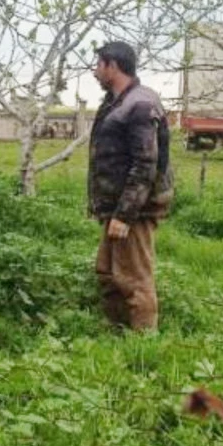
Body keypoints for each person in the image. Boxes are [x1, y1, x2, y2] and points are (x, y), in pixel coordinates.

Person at [88, 41, 174, 331]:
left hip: (133, 210)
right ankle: (117, 333)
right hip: (117, 208)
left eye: (99, 65)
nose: (95, 71)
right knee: (108, 272)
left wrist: (125, 215)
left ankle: (143, 347)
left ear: (113, 66)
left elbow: (145, 164)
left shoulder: (140, 104)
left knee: (134, 279)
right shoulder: (117, 101)